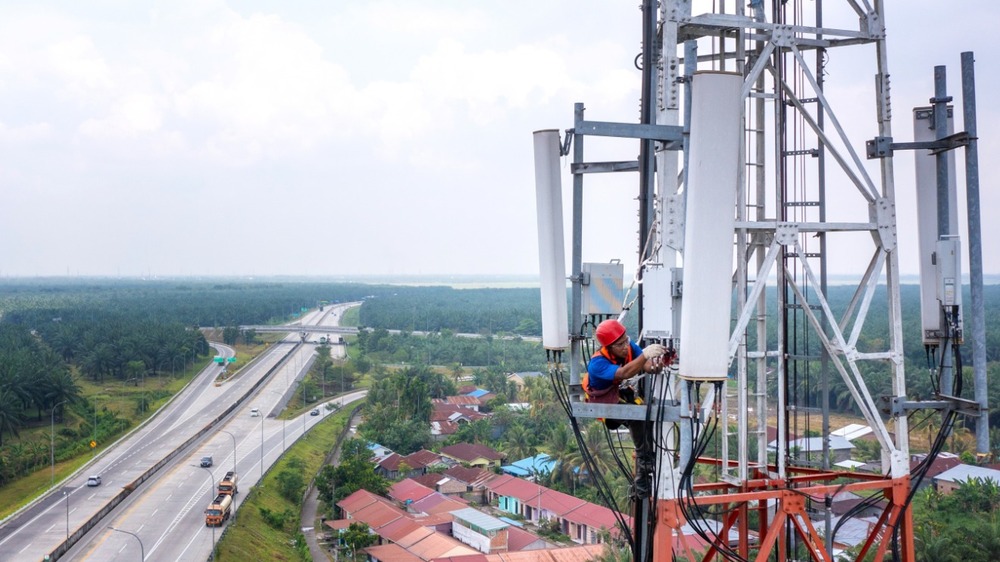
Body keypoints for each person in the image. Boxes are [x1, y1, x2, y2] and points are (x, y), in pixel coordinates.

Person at [584, 318, 666, 496]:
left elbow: (644, 365)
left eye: (625, 341)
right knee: (636, 416)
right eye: (620, 344)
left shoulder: (629, 347)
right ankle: (643, 472)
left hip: (619, 392)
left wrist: (656, 366)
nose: (624, 346)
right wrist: (645, 355)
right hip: (603, 402)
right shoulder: (597, 364)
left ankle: (646, 466)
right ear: (609, 347)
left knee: (646, 416)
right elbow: (624, 372)